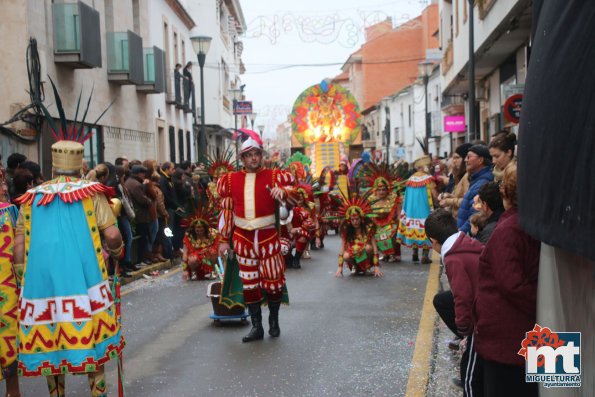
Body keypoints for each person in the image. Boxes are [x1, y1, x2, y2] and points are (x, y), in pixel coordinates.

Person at [12, 84, 124, 397]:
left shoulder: (31, 198)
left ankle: (56, 394)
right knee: (91, 341)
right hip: (85, 281)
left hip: (43, 285)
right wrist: (118, 252)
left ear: (53, 162)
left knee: (53, 345)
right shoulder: (92, 194)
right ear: (79, 162)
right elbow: (113, 235)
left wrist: (23, 277)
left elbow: (19, 247)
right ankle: (96, 392)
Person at [217, 134, 295, 343]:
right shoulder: (231, 180)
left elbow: (297, 193)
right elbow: (226, 210)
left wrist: (285, 192)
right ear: (242, 158)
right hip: (243, 237)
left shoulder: (274, 176)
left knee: (273, 283)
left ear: (261, 156)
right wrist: (224, 239)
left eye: (256, 154)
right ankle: (257, 326)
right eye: (248, 155)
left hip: (268, 236)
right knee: (249, 284)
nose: (253, 158)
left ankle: (274, 321)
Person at [473, 165, 540, 396]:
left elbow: (512, 285)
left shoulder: (510, 229)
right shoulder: (533, 225)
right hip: (542, 333)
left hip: (513, 342)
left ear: (506, 192)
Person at [426, 209, 484, 397]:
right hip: (488, 306)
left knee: (469, 376)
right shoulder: (466, 243)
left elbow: (462, 297)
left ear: (433, 241)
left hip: (483, 319)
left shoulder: (453, 258)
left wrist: (465, 332)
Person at [396, 155, 436, 264]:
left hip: (412, 211)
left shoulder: (410, 179)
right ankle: (425, 256)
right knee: (427, 230)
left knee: (415, 230)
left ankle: (415, 253)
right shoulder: (428, 179)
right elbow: (434, 193)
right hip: (425, 209)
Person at [0, 202, 21, 396]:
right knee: (8, 342)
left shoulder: (8, 210)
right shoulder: (7, 211)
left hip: (6, 292)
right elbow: (19, 250)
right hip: (7, 292)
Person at [334, 194, 383, 277]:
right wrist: (339, 267)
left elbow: (374, 247)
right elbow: (342, 249)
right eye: (352, 220)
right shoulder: (346, 230)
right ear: (349, 221)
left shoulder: (368, 228)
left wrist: (376, 266)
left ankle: (367, 268)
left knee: (368, 248)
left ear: (361, 218)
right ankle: (355, 267)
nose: (355, 222)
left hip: (366, 253)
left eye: (357, 219)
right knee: (346, 256)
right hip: (353, 253)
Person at [363, 162, 402, 262]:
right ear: (376, 189)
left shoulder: (393, 198)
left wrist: (399, 222)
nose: (381, 192)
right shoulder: (371, 199)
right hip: (377, 223)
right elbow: (368, 214)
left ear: (387, 189)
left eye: (383, 189)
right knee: (375, 233)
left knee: (391, 232)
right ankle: (385, 254)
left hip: (391, 223)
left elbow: (399, 212)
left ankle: (392, 254)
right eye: (379, 189)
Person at [457, 145, 493, 233]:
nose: (465, 160)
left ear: (480, 160)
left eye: (469, 157)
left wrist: (460, 233)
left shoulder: (482, 183)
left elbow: (475, 215)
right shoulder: (477, 179)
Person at [181, 206, 220, 280]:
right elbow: (185, 255)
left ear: (205, 228)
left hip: (209, 258)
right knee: (193, 258)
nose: (199, 230)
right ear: (194, 228)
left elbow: (219, 248)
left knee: (213, 252)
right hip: (196, 260)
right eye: (197, 228)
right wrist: (185, 270)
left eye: (201, 227)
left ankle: (213, 271)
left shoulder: (213, 233)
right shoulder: (188, 236)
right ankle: (193, 272)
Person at [438, 143, 472, 218]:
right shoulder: (459, 175)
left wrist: (448, 201)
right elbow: (459, 194)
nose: (454, 161)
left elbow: (468, 200)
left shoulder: (467, 176)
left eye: (457, 157)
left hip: (463, 217)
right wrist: (448, 195)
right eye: (453, 158)